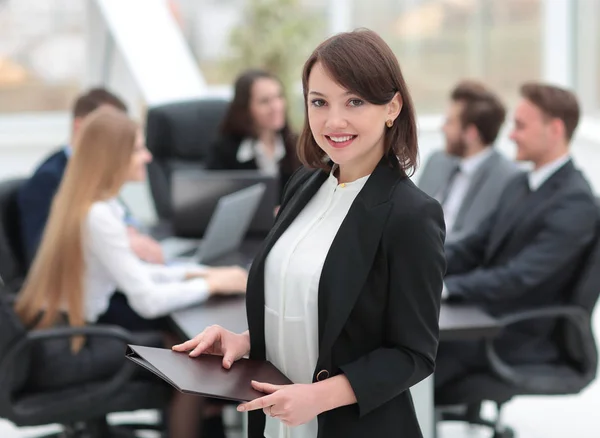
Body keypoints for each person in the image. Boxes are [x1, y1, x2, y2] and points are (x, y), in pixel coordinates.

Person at [174, 29, 446, 438]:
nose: (333, 121)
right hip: (276, 422)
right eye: (319, 102)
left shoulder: (411, 215)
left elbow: (413, 354)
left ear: (392, 108)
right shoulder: (305, 184)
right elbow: (311, 309)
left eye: (354, 101)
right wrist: (246, 341)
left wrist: (316, 398)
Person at [14, 107, 248, 438]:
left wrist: (201, 275)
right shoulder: (98, 215)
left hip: (61, 331)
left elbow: (139, 272)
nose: (148, 156)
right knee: (192, 363)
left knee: (178, 344)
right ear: (114, 156)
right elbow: (147, 301)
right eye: (138, 148)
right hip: (72, 345)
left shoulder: (94, 204)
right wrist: (210, 285)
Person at [435, 83, 598, 390]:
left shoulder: (575, 203)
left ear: (555, 130)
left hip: (519, 335)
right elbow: (474, 246)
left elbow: (519, 278)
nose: (510, 136)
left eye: (520, 126)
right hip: (487, 317)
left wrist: (447, 288)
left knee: (407, 360)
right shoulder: (520, 185)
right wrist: (423, 265)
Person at [18, 87, 164, 267]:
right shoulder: (49, 178)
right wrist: (124, 242)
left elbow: (125, 223)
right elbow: (46, 254)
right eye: (107, 127)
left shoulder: (101, 172)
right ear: (80, 126)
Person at [418, 80, 519, 242]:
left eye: (449, 122)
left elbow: (476, 243)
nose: (442, 128)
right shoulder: (437, 160)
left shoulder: (508, 178)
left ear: (471, 133)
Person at [206, 69, 300, 199]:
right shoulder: (225, 150)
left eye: (278, 97)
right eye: (265, 101)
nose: (276, 106)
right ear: (245, 108)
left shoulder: (296, 145)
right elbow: (213, 200)